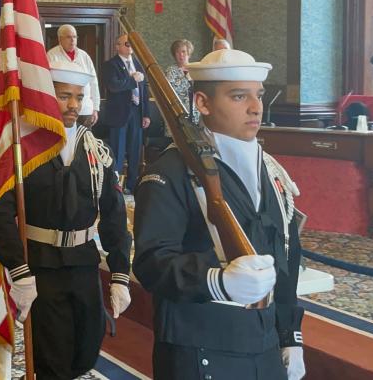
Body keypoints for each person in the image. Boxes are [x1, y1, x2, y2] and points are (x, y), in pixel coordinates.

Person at [132, 48, 306, 380]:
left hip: (263, 342)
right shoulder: (169, 172)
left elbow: (286, 254)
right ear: (203, 103)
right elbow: (152, 262)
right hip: (200, 349)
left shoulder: (271, 172)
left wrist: (290, 334)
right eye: (239, 96)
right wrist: (217, 280)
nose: (256, 107)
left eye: (258, 95)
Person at [0, 61, 132, 379]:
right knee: (53, 359)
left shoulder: (95, 151)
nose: (73, 105)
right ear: (45, 97)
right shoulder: (23, 150)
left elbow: (113, 214)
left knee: (86, 350)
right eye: (65, 96)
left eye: (79, 97)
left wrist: (120, 271)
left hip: (83, 263)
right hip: (41, 266)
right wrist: (18, 269)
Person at [101, 34, 151, 193]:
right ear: (117, 46)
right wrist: (132, 80)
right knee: (118, 152)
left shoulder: (138, 64)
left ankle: (132, 186)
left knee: (135, 151)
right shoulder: (110, 65)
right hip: (119, 114)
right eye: (127, 44)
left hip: (137, 113)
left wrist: (146, 114)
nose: (130, 47)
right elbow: (113, 86)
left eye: (132, 44)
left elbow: (145, 90)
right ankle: (115, 187)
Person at [47, 25, 100, 126]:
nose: (72, 40)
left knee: (84, 139)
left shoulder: (84, 56)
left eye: (75, 37)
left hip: (85, 110)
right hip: (63, 111)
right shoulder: (51, 55)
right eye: (68, 37)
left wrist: (95, 108)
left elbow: (93, 82)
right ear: (59, 39)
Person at [164, 39, 200, 128]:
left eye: (183, 51)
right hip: (178, 112)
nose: (181, 55)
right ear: (174, 55)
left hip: (196, 112)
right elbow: (171, 91)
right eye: (178, 52)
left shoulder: (197, 69)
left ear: (189, 53)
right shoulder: (171, 71)